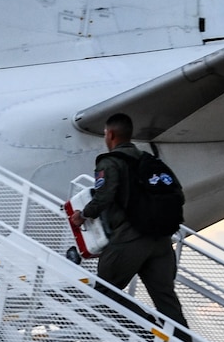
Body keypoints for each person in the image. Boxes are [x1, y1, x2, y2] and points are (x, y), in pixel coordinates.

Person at [68, 113, 189, 330]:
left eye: (105, 134)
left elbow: (104, 196)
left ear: (111, 134)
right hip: (161, 240)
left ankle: (147, 333)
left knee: (105, 291)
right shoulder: (149, 161)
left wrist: (83, 215)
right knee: (166, 301)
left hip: (130, 238)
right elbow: (178, 194)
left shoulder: (111, 162)